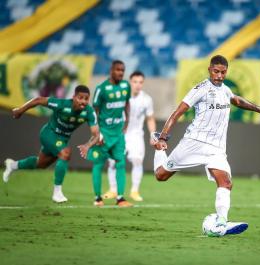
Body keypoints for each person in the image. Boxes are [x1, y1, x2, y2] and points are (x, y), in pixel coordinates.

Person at [152, 55, 260, 236]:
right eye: (216, 71)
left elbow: (237, 100)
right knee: (161, 175)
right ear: (210, 70)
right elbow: (178, 112)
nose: (219, 75)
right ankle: (158, 149)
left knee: (225, 182)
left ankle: (220, 223)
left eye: (223, 72)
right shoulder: (200, 89)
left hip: (216, 148)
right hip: (194, 142)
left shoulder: (225, 90)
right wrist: (163, 138)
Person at [2, 85, 99, 203]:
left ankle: (12, 165)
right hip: (49, 134)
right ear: (73, 97)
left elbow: (96, 133)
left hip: (62, 140)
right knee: (65, 153)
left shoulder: (89, 112)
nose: (83, 101)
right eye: (80, 98)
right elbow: (38, 100)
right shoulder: (61, 104)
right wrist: (20, 110)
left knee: (40, 164)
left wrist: (88, 145)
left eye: (86, 99)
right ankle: (57, 193)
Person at [103, 71, 156, 202]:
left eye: (140, 82)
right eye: (135, 81)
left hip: (136, 135)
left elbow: (150, 118)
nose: (138, 85)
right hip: (119, 134)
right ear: (130, 82)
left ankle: (134, 191)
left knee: (137, 161)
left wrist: (153, 134)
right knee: (113, 161)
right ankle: (113, 190)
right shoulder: (120, 96)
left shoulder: (146, 99)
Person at [87, 60, 132, 207]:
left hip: (118, 133)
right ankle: (97, 198)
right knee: (99, 163)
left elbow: (127, 103)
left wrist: (126, 123)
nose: (120, 73)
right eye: (118, 70)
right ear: (111, 70)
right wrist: (97, 132)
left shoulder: (126, 86)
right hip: (104, 133)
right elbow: (95, 111)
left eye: (122, 70)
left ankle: (120, 198)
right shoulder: (102, 89)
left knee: (121, 162)